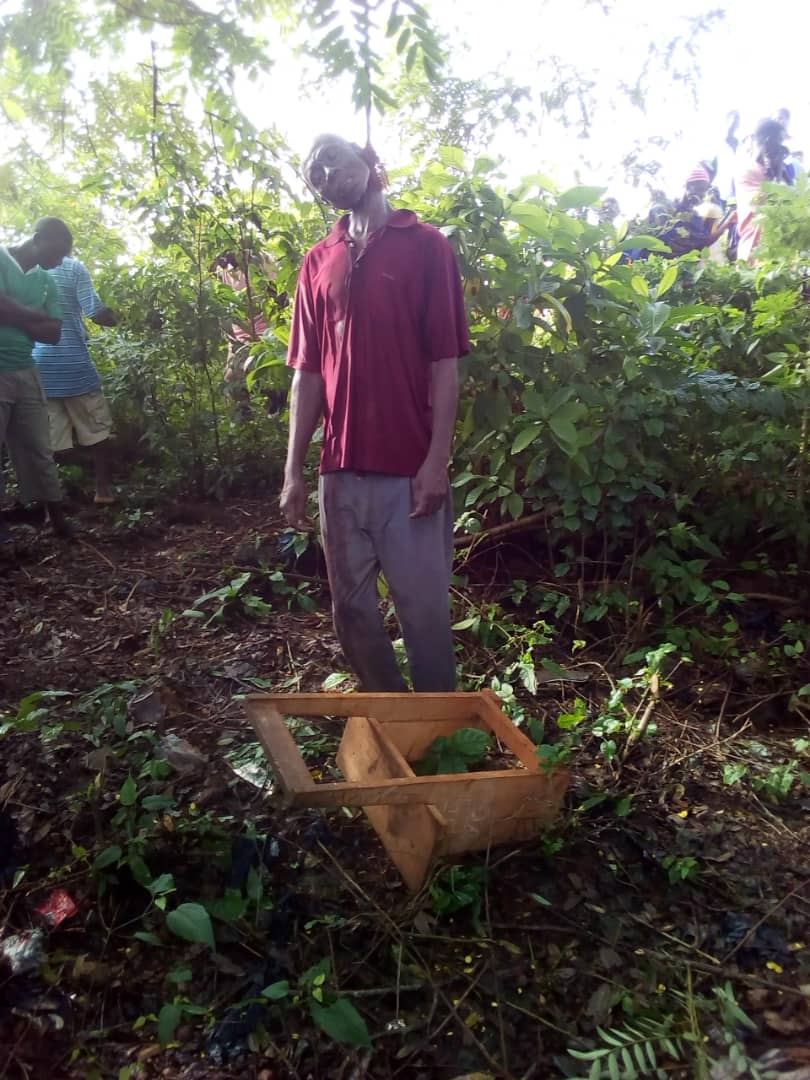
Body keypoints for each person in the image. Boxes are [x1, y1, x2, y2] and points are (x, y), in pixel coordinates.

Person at [280, 134, 469, 692]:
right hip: (339, 471)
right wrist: (293, 473)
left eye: (332, 159)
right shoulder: (318, 261)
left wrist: (436, 462)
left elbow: (445, 365)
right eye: (314, 174)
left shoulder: (427, 247)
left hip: (408, 467)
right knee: (353, 612)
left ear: (367, 159)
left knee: (424, 614)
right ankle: (390, 710)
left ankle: (439, 722)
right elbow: (307, 375)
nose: (326, 175)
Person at [0, 217, 75, 546]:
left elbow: (54, 333)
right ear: (38, 238)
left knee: (41, 448)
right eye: (56, 253)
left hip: (26, 370)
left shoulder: (46, 281)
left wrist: (13, 314)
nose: (59, 262)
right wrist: (34, 315)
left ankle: (56, 518)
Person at [30, 249, 118, 504]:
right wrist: (127, 317)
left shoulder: (27, 271)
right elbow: (94, 311)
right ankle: (103, 491)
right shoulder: (74, 268)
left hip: (40, 368)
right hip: (74, 365)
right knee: (97, 432)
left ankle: (56, 498)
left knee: (51, 441)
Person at [735, 118, 794, 263]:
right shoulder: (748, 169)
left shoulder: (775, 168)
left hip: (777, 246)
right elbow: (770, 200)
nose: (780, 147)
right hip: (755, 244)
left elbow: (793, 198)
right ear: (769, 141)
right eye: (779, 141)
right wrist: (778, 173)